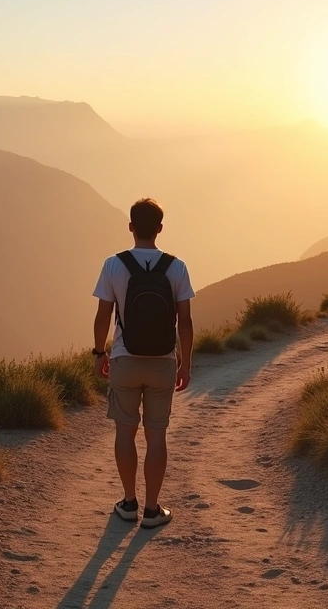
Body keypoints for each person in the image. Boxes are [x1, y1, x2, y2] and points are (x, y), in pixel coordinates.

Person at [91, 198, 194, 529]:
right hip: (163, 362)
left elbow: (103, 316)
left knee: (125, 432)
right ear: (160, 228)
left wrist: (99, 353)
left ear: (131, 227)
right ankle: (151, 510)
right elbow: (185, 321)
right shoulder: (177, 267)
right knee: (156, 435)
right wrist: (185, 363)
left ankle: (128, 502)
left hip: (124, 359)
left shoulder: (113, 265)